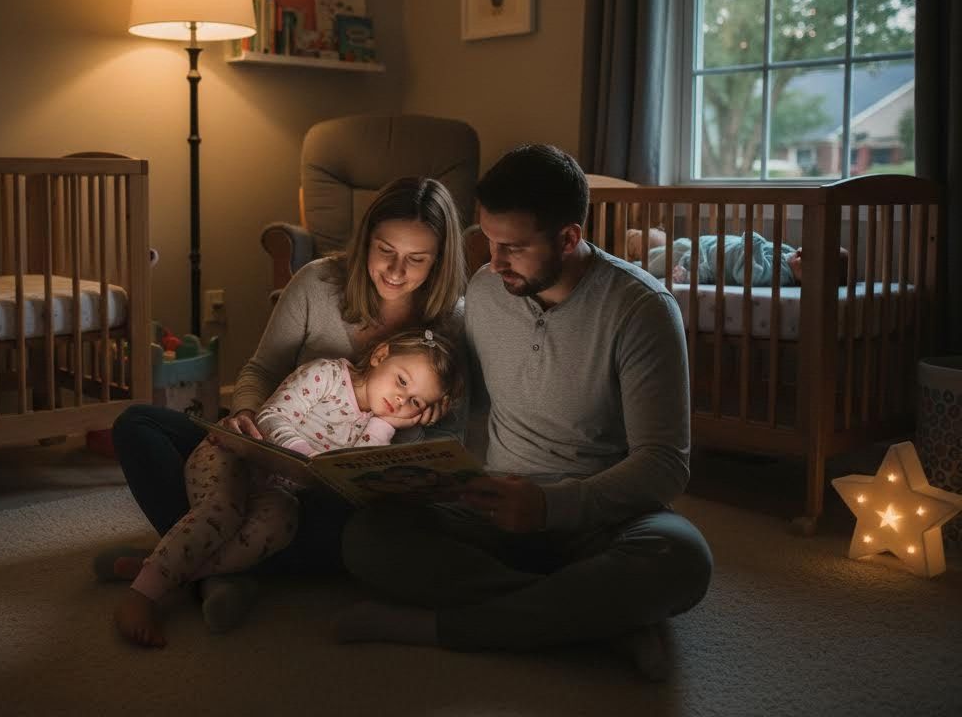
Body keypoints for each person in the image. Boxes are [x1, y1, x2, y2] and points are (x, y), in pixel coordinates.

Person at [337, 145, 714, 682]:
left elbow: (664, 465)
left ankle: (446, 628)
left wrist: (549, 507)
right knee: (369, 536)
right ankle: (599, 621)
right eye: (488, 240)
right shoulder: (487, 291)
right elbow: (457, 398)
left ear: (569, 238)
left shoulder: (642, 310)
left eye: (513, 246)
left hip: (599, 514)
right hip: (492, 503)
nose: (494, 261)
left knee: (682, 557)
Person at [103, 176, 467, 634]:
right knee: (139, 426)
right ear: (366, 239)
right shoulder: (317, 283)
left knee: (359, 532)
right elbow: (259, 371)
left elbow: (440, 445)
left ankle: (189, 566)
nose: (396, 271)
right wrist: (246, 418)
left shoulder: (451, 323)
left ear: (438, 261)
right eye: (384, 250)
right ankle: (217, 567)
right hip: (262, 448)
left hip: (324, 496)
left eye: (416, 260)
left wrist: (422, 420)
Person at [115, 328, 462, 647]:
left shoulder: (377, 426)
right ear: (380, 355)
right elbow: (271, 417)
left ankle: (172, 571)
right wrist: (308, 459)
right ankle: (142, 595)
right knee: (221, 511)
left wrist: (387, 424)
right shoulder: (327, 375)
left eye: (416, 402)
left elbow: (353, 470)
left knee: (280, 521)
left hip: (278, 488)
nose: (402, 400)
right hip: (235, 455)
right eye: (402, 382)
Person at [625, 227, 849, 286]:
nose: (800, 252)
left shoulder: (779, 276)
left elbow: (748, 274)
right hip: (700, 248)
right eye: (807, 249)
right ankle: (634, 250)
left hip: (699, 259)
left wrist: (754, 243)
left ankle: (625, 266)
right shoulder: (788, 257)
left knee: (647, 267)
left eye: (807, 259)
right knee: (666, 251)